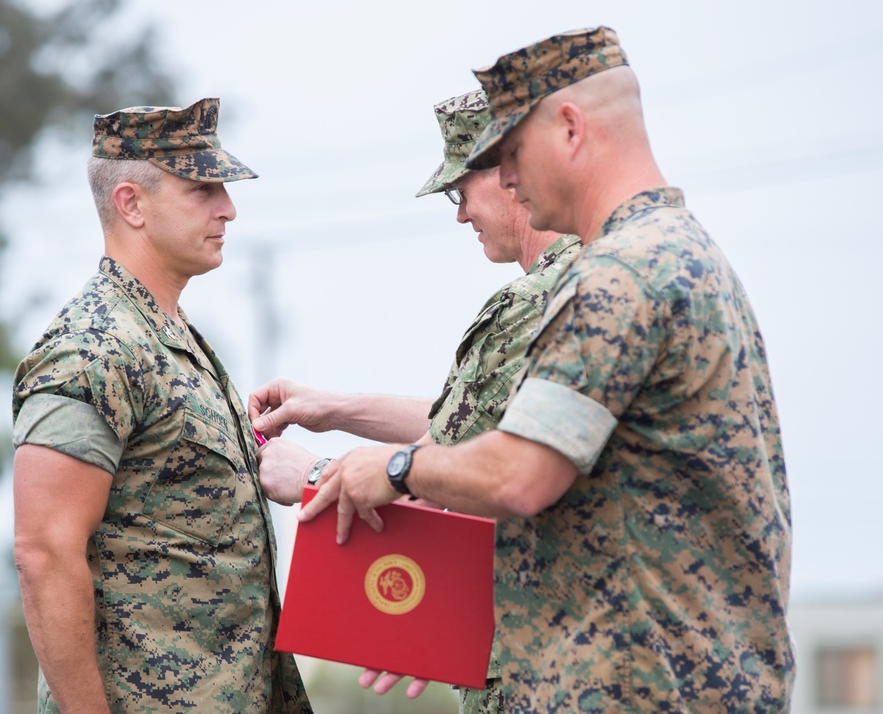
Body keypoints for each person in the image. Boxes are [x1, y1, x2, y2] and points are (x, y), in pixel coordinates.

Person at [294, 27, 795, 712]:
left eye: (511, 153)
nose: (503, 180)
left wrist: (392, 469)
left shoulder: (620, 275)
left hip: (633, 688)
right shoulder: (679, 253)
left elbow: (519, 474)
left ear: (569, 128)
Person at [250, 89, 581, 713]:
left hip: (542, 664)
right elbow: (466, 424)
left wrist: (314, 479)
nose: (459, 216)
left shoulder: (536, 301)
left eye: (461, 192)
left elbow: (448, 464)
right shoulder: (582, 281)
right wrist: (332, 408)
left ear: (509, 175)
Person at [11, 99, 311, 714]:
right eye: (203, 189)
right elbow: (44, 551)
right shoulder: (90, 348)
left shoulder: (173, 340)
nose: (228, 208)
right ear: (131, 203)